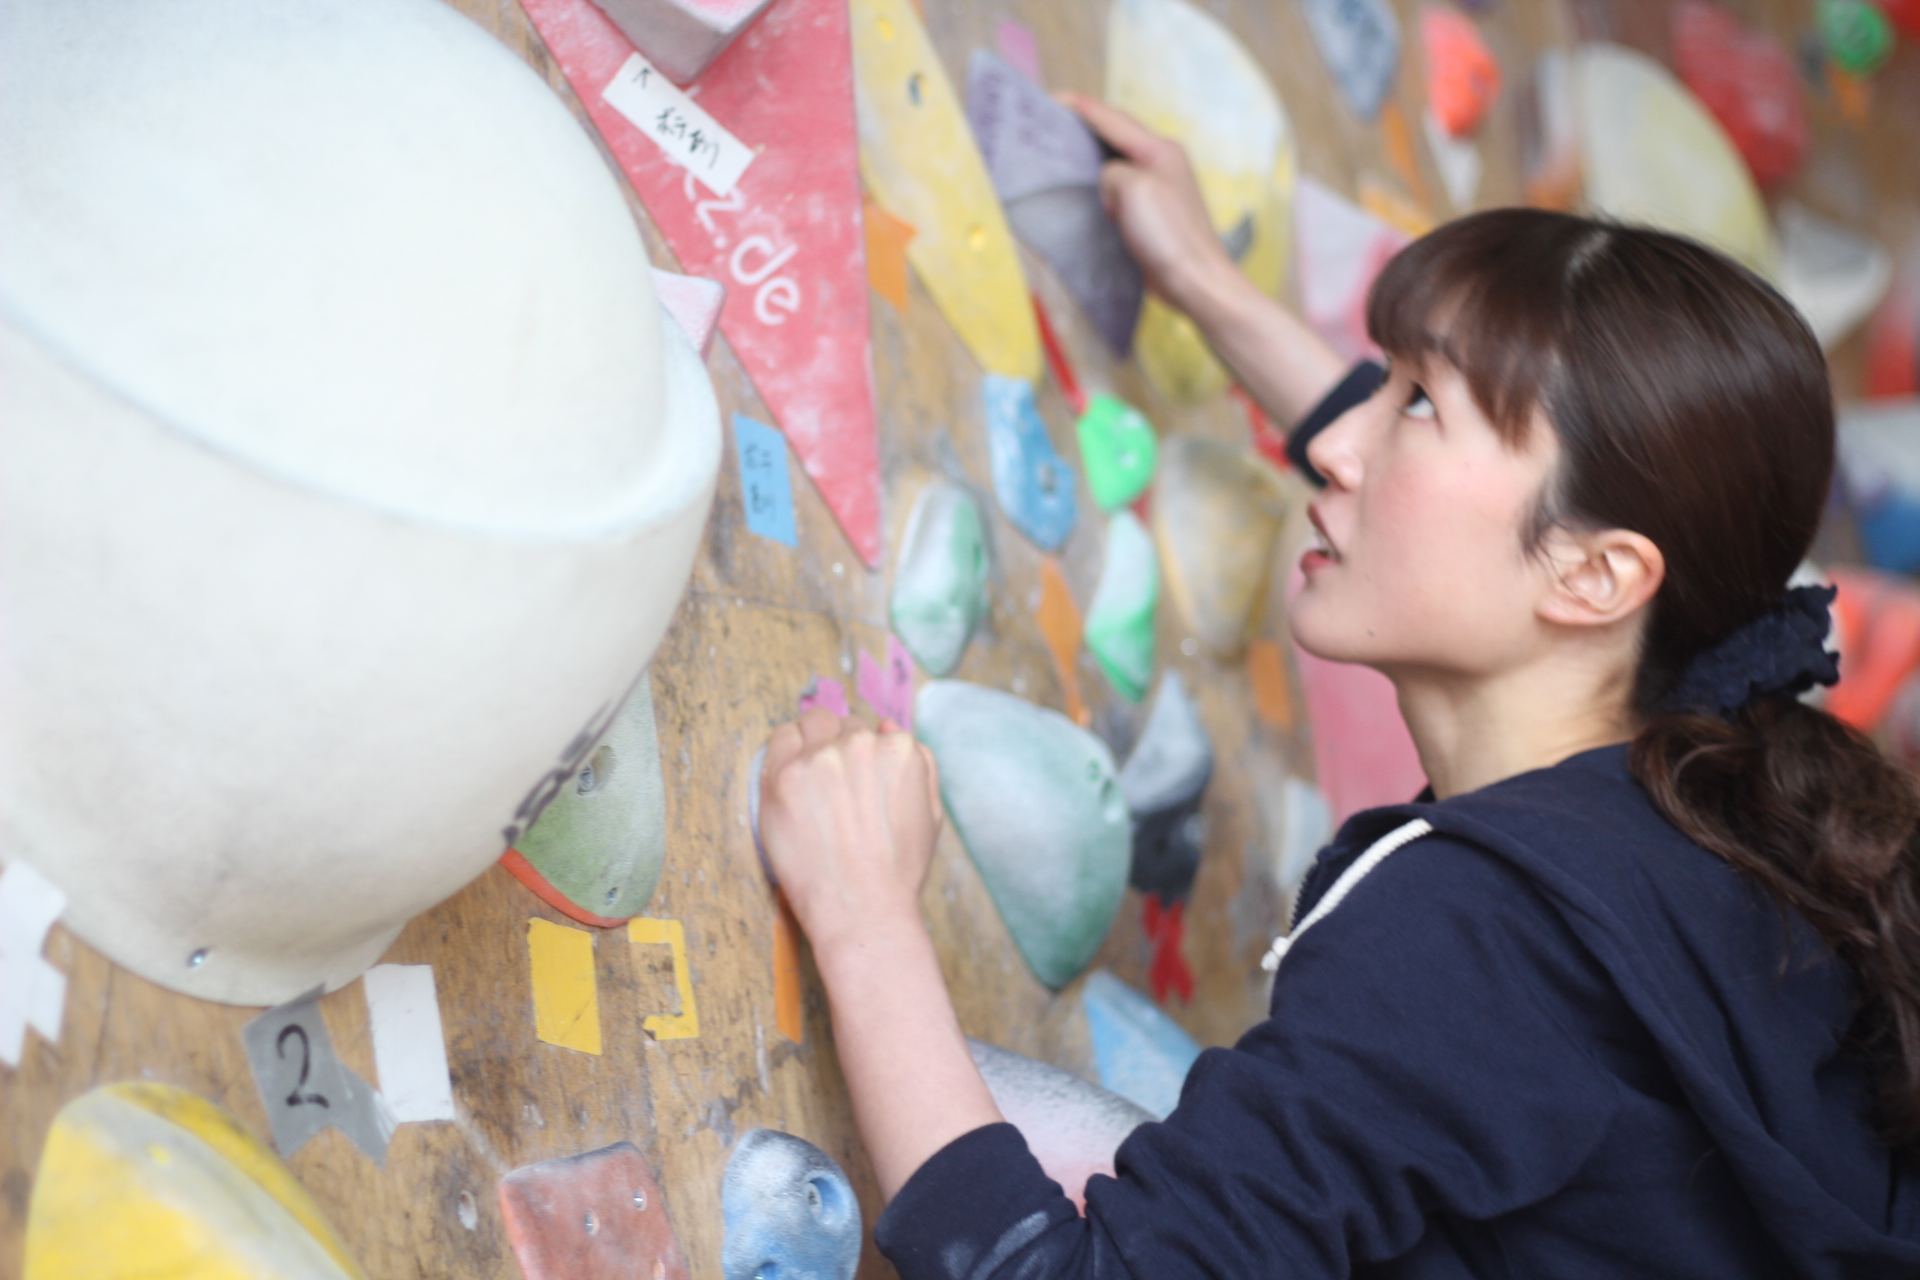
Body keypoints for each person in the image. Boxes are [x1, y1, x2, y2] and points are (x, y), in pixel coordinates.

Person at [755, 98, 1920, 1278]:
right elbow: (1507, 495)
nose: (1334, 447)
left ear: (1596, 576)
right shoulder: (1724, 783)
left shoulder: (1472, 938)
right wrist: (1210, 286)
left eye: (1414, 404)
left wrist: (865, 922)